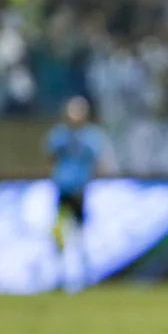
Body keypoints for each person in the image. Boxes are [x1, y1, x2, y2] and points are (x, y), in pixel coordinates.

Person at [45, 96, 109, 292]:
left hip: (80, 190)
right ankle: (59, 275)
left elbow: (97, 162)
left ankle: (85, 275)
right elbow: (52, 158)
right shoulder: (59, 136)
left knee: (81, 234)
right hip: (63, 188)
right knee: (59, 233)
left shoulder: (91, 137)